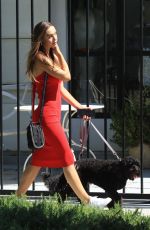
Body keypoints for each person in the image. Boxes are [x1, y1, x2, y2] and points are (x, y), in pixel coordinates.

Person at [16, 21, 111, 207]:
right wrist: (59, 52)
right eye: (50, 36)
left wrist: (79, 107)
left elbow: (60, 88)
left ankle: (17, 198)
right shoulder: (40, 59)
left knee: (37, 161)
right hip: (46, 117)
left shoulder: (48, 56)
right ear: (41, 39)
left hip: (49, 116)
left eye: (55, 34)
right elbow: (67, 76)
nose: (55, 38)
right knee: (67, 156)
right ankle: (87, 201)